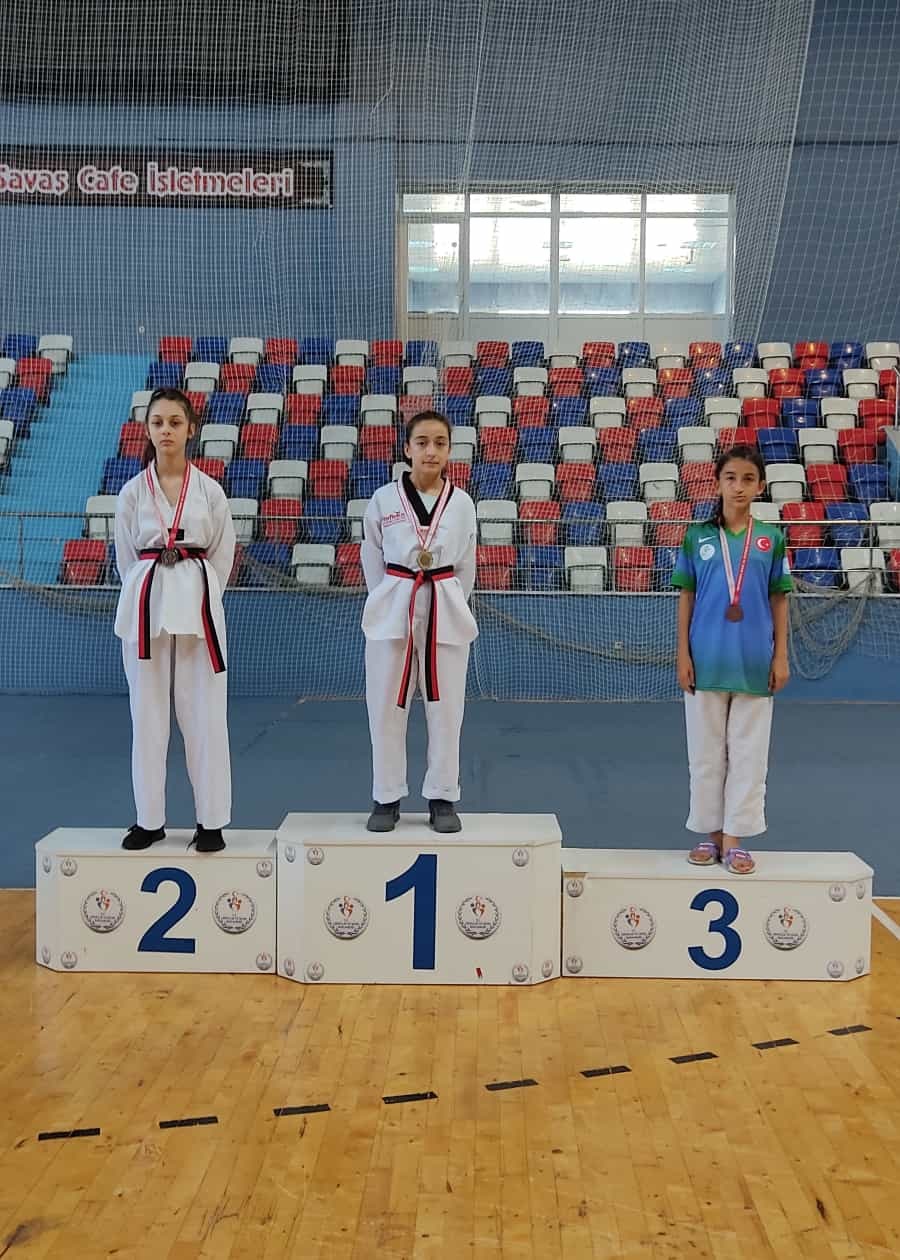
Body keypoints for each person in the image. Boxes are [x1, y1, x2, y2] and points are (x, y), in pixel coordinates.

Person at [114, 387, 235, 853]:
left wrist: (196, 588)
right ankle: (149, 819)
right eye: (158, 422)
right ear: (147, 429)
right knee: (146, 715)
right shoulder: (131, 492)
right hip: (146, 606)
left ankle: (211, 821)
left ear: (191, 429)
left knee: (205, 715)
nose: (166, 430)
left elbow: (222, 554)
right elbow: (127, 559)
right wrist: (153, 586)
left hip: (197, 607)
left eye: (175, 422)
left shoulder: (209, 490)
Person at [671, 444, 792, 874]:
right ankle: (711, 834)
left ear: (760, 486)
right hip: (705, 658)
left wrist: (781, 655)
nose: (738, 487)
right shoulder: (697, 537)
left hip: (755, 661)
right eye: (730, 478)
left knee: (749, 754)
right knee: (705, 754)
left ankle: (736, 837)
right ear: (717, 483)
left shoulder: (771, 539)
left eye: (747, 479)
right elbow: (687, 596)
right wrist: (682, 652)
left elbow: (780, 599)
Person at [361, 410, 478, 834]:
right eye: (423, 442)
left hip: (444, 606)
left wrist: (447, 597)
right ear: (407, 449)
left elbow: (466, 565)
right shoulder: (383, 499)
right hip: (394, 605)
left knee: (446, 708)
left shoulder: (462, 503)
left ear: (449, 451)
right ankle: (386, 796)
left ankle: (443, 796)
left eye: (440, 443)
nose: (431, 451)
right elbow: (372, 557)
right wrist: (389, 596)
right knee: (385, 706)